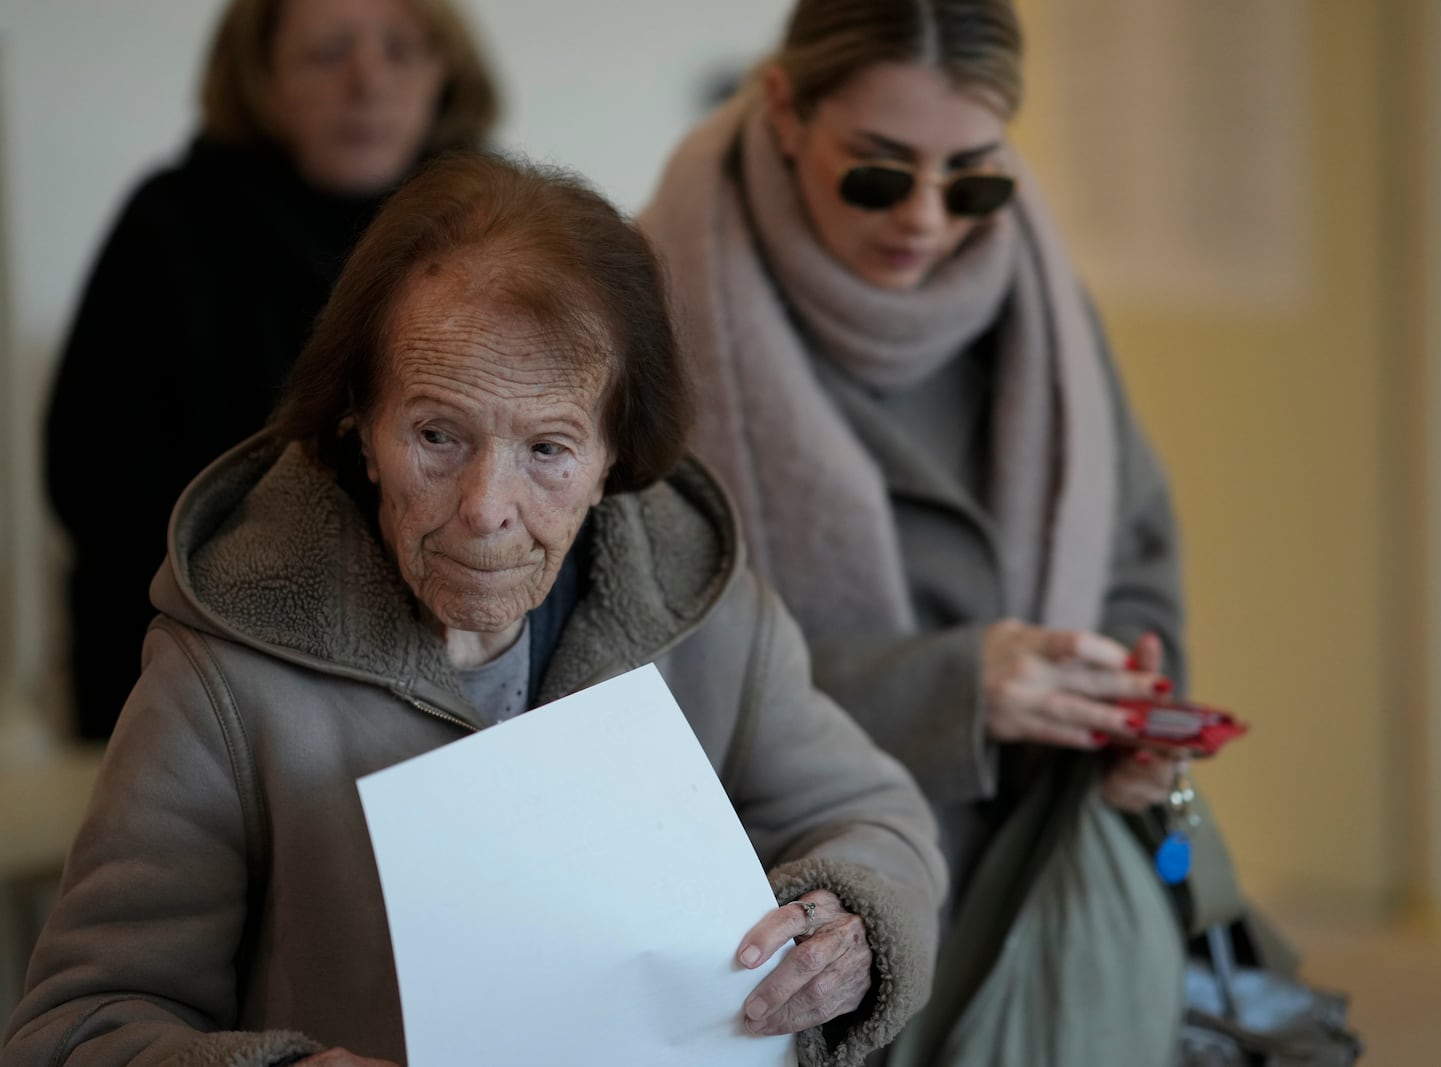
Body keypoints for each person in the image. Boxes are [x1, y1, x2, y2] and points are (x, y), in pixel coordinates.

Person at [3, 153, 946, 1067]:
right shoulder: (227, 671)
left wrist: (853, 925)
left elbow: (874, 817)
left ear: (613, 455)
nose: (486, 506)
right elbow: (78, 1027)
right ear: (360, 424)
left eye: (548, 447)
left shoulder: (700, 607)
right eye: (438, 434)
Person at [638, 1, 1267, 1062]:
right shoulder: (647, 309)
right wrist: (953, 685)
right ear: (786, 111)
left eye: (972, 175)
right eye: (879, 171)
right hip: (781, 908)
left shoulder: (1041, 303)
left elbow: (1133, 549)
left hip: (1028, 881)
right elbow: (635, 661)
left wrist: (1126, 711)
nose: (926, 218)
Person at [44, 0, 498, 739]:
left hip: (455, 659)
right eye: (327, 53)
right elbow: (93, 481)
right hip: (204, 664)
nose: (369, 83)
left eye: (403, 51)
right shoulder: (170, 223)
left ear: (446, 72)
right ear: (261, 79)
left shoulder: (498, 221)